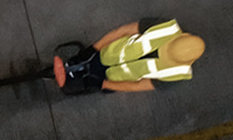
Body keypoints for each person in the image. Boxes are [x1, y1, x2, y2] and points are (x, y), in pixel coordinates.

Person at [57, 19, 204, 93]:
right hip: (105, 53)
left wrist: (102, 84)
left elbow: (138, 86)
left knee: (80, 82)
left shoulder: (177, 75)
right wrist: (93, 48)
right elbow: (124, 31)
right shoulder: (166, 27)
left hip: (114, 78)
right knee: (77, 64)